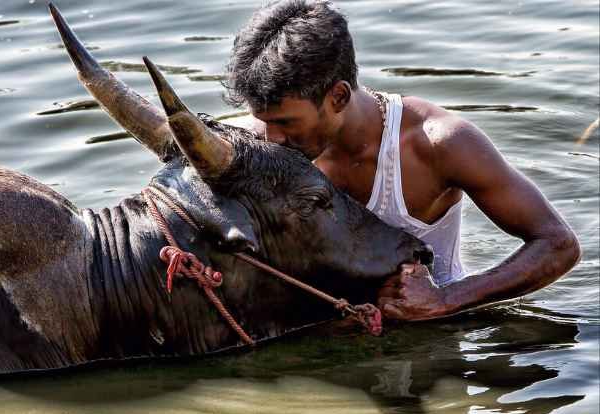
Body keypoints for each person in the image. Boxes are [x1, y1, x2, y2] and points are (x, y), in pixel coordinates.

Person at [224, 0, 580, 321]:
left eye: (285, 123)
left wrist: (445, 299)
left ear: (338, 96)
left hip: (429, 333)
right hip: (324, 324)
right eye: (264, 121)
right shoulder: (262, 139)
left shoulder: (438, 143)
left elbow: (558, 244)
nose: (271, 138)